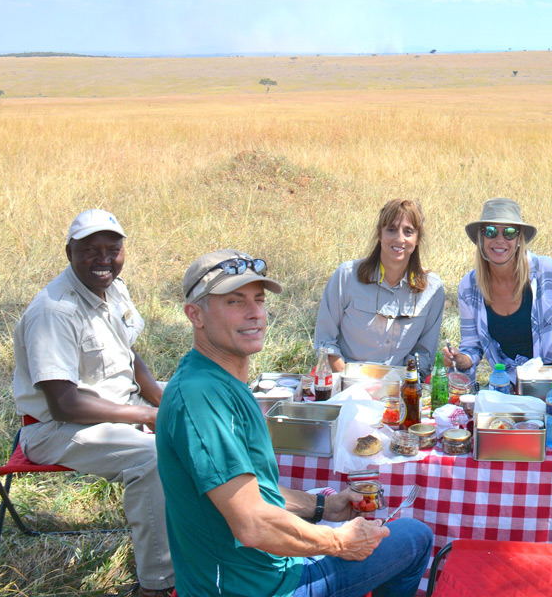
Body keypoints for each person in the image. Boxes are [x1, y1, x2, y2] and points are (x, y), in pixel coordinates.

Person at [157, 249, 433, 597]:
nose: (255, 313)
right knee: (414, 538)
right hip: (256, 587)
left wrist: (323, 507)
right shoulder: (200, 398)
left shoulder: (215, 378)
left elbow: (250, 491)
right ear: (195, 314)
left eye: (258, 299)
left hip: (261, 571)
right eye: (234, 302)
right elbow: (253, 523)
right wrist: (339, 541)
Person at [11, 209, 174, 597]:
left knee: (210, 399)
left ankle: (223, 538)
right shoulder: (54, 311)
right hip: (58, 428)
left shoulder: (113, 287)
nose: (103, 259)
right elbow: (65, 403)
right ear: (69, 251)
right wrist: (148, 414)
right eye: (90, 250)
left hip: (120, 403)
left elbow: (127, 354)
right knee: (152, 458)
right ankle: (157, 584)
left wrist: (157, 395)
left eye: (112, 249)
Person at [443, 198, 552, 385]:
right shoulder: (470, 286)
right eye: (491, 231)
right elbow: (472, 346)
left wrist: (550, 380)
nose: (500, 240)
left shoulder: (550, 272)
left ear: (519, 239)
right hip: (509, 385)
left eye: (509, 232)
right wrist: (461, 360)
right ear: (481, 238)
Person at [314, 199, 444, 378]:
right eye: (391, 229)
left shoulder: (433, 289)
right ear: (379, 234)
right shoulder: (346, 276)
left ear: (417, 239)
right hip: (347, 384)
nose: (399, 238)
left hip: (401, 388)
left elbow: (424, 354)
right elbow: (325, 343)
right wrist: (349, 382)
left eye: (408, 231)